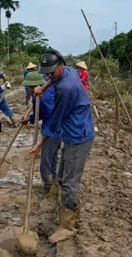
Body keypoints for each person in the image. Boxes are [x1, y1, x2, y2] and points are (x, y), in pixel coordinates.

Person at [32, 49, 95, 243]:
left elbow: (54, 121)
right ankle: (64, 203)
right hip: (72, 131)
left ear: (60, 65)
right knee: (62, 171)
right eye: (46, 73)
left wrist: (40, 144)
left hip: (79, 135)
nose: (49, 75)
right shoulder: (67, 71)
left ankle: (68, 225)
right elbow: (55, 80)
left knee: (69, 180)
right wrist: (44, 86)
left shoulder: (66, 89)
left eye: (52, 72)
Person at [20, 71, 61, 194]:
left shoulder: (44, 98)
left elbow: (49, 116)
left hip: (53, 131)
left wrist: (41, 141)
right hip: (56, 129)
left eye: (30, 87)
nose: (30, 90)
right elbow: (39, 114)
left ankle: (49, 187)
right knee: (51, 159)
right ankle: (54, 182)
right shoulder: (39, 95)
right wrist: (30, 119)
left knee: (45, 162)